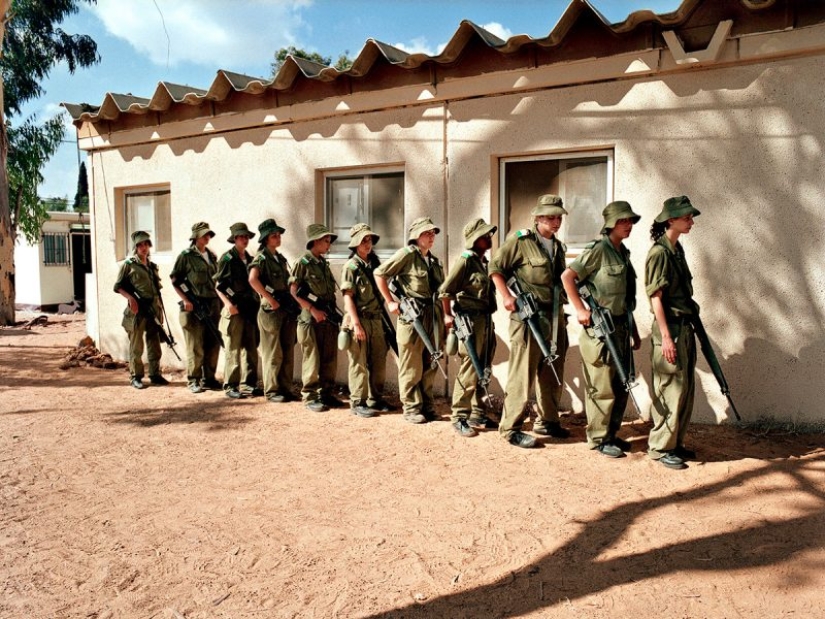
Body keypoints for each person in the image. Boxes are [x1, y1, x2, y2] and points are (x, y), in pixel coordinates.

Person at [561, 201, 642, 458]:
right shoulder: (598, 250)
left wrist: (634, 331)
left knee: (620, 383)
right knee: (602, 384)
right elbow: (567, 277)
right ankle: (597, 438)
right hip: (599, 328)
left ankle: (611, 434)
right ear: (610, 225)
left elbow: (626, 299)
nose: (628, 225)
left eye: (630, 221)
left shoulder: (622, 253)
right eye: (623, 221)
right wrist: (580, 310)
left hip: (620, 326)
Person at [489, 194, 570, 448]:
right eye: (550, 217)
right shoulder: (520, 240)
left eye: (558, 217)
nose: (556, 222)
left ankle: (548, 420)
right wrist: (506, 297)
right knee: (522, 373)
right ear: (537, 218)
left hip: (554, 316)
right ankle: (510, 427)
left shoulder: (557, 246)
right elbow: (496, 268)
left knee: (552, 370)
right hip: (528, 317)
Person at [644, 195, 702, 470]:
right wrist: (666, 337)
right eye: (686, 217)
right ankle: (660, 447)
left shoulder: (676, 249)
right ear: (671, 220)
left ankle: (675, 443)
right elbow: (655, 297)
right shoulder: (660, 252)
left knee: (685, 389)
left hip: (684, 327)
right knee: (670, 389)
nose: (691, 222)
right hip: (671, 329)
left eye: (691, 217)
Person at [375, 217, 445, 424]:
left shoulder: (433, 261)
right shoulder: (406, 255)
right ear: (416, 236)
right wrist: (390, 301)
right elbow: (380, 274)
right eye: (427, 233)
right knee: (411, 364)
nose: (431, 237)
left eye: (433, 233)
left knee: (430, 362)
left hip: (431, 315)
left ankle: (427, 405)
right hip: (412, 315)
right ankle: (412, 407)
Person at [439, 218, 498, 437]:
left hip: (486, 320)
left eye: (489, 235)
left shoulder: (483, 262)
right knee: (470, 367)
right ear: (474, 240)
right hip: (470, 321)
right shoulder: (465, 261)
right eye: (484, 235)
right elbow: (445, 291)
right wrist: (447, 315)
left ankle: (478, 412)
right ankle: (459, 416)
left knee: (483, 366)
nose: (488, 238)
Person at [341, 223, 393, 418]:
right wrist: (355, 324)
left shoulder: (375, 266)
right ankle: (358, 402)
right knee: (359, 363)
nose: (367, 244)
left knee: (378, 361)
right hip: (359, 319)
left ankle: (375, 399)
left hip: (376, 321)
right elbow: (348, 297)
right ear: (355, 244)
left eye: (369, 240)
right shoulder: (351, 267)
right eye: (363, 240)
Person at [290, 224, 342, 412]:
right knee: (312, 358)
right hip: (310, 319)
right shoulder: (303, 263)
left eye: (329, 241)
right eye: (326, 241)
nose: (329, 244)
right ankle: (310, 395)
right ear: (314, 241)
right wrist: (313, 310)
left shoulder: (323, 263)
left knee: (329, 357)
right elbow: (294, 291)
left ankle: (326, 393)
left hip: (327, 317)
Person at [248, 218, 298, 404]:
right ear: (265, 239)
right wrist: (269, 298)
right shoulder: (261, 258)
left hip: (285, 308)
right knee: (273, 353)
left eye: (279, 235)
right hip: (271, 311)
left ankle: (285, 388)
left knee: (287, 351)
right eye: (274, 235)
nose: (278, 238)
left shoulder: (279, 258)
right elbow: (253, 280)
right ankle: (272, 390)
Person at [170, 222, 222, 393]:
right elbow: (175, 280)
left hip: (212, 303)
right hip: (194, 305)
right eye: (204, 234)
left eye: (209, 234)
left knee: (213, 342)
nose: (207, 237)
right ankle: (194, 379)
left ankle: (209, 378)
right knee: (195, 345)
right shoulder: (186, 256)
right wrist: (186, 299)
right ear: (195, 237)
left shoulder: (212, 256)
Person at [114, 230, 169, 389]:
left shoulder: (152, 266)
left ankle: (155, 374)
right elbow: (118, 287)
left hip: (153, 309)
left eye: (146, 244)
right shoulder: (129, 265)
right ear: (135, 247)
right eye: (140, 245)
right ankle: (136, 377)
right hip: (137, 311)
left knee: (154, 343)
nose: (144, 248)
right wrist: (131, 298)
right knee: (136, 347)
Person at [215, 222, 261, 399]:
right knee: (233, 349)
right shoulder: (227, 259)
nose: (245, 239)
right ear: (234, 239)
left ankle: (248, 384)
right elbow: (219, 285)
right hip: (234, 310)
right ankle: (231, 385)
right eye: (241, 236)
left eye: (247, 236)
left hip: (248, 309)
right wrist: (228, 304)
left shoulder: (250, 259)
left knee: (250, 348)